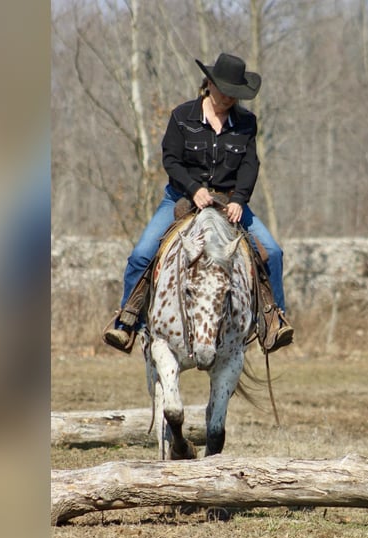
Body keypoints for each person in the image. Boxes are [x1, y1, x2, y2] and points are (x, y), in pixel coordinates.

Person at [103, 52, 293, 354]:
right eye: (225, 90)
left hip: (229, 201)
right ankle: (127, 321)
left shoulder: (246, 123)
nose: (229, 97)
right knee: (141, 253)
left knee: (273, 251)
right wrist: (193, 189)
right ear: (209, 84)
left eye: (235, 93)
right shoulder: (182, 116)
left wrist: (240, 199)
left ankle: (274, 320)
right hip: (180, 198)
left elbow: (249, 165)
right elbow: (171, 159)